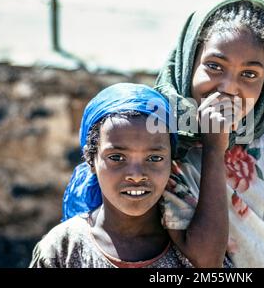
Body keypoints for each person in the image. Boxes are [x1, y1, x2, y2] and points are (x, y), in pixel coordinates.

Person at [154, 0, 264, 267]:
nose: (229, 87)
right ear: (189, 63)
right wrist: (214, 147)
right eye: (214, 66)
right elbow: (205, 260)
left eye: (249, 74)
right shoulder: (165, 161)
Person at [30, 83, 194, 268]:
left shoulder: (194, 250)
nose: (136, 175)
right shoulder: (63, 249)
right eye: (117, 157)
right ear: (91, 160)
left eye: (154, 158)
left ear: (171, 161)